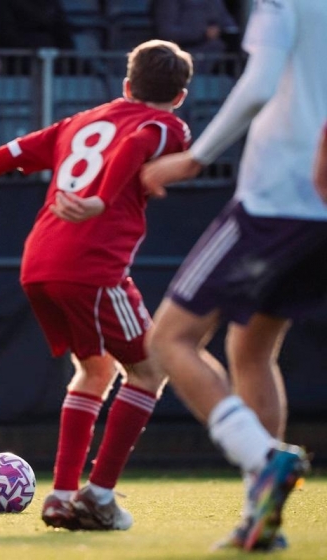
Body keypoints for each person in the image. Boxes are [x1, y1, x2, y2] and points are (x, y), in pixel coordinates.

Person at [0, 40, 193, 530]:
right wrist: (102, 200)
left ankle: (61, 496)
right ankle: (100, 495)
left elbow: (4, 155)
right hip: (92, 266)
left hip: (39, 263)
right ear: (179, 97)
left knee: (95, 369)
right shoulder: (167, 124)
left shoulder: (79, 122)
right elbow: (138, 143)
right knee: (150, 368)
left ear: (126, 85)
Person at [140, 0, 325, 551]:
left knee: (168, 340)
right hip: (319, 211)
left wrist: (195, 156)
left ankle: (265, 459)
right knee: (251, 350)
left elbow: (261, 84)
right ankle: (260, 520)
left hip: (273, 202)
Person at [152, 0, 239, 56]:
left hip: (220, 59)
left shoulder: (215, 2)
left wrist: (224, 31)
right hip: (183, 57)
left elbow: (228, 24)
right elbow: (166, 31)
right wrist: (203, 32)